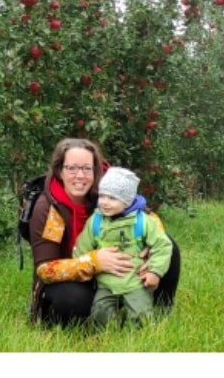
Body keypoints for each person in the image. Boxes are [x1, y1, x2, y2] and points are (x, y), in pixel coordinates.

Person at [26, 137, 136, 325]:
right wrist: (94, 262)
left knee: (167, 247)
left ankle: (156, 313)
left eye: (86, 169)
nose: (80, 176)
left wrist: (148, 248)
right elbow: (45, 270)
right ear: (60, 171)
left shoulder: (104, 194)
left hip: (108, 275)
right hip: (66, 281)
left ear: (95, 171)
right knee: (73, 299)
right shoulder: (49, 208)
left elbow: (145, 214)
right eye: (72, 168)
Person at [73, 167, 173, 326]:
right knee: (100, 313)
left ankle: (142, 332)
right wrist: (87, 265)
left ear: (127, 201)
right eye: (102, 196)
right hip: (106, 284)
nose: (105, 202)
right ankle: (109, 333)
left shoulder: (142, 221)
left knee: (141, 317)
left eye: (112, 198)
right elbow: (81, 249)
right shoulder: (96, 221)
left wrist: (155, 271)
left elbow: (163, 246)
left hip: (136, 282)